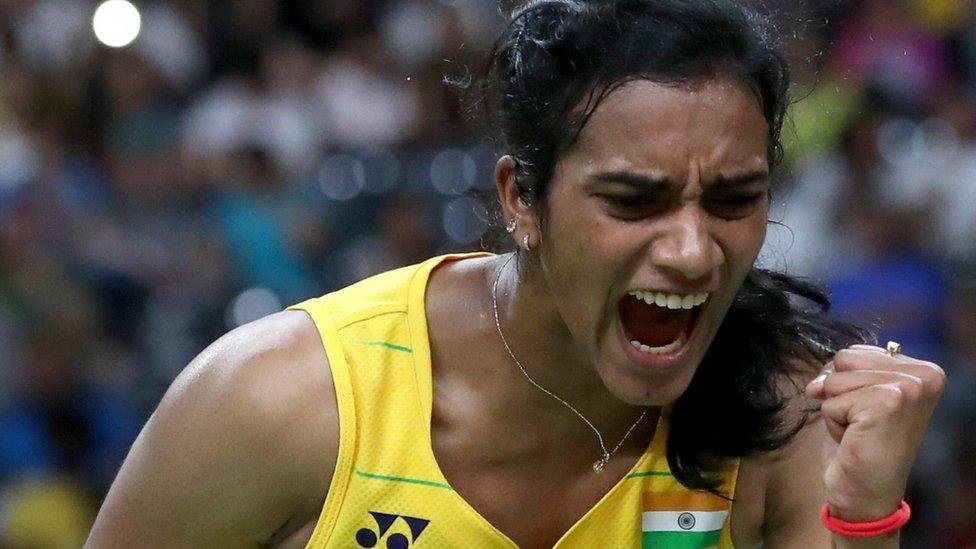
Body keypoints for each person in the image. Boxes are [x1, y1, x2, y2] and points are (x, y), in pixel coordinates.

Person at [86, 1, 946, 547]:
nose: (692, 250)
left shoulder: (780, 414)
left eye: (734, 198)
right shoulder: (279, 398)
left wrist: (865, 517)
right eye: (633, 201)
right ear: (521, 199)